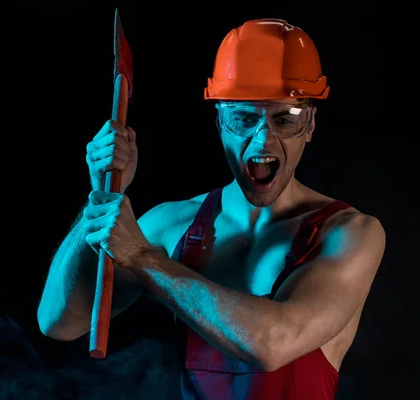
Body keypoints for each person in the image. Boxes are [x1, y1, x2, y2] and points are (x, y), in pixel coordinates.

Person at [37, 18, 386, 399]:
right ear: (220, 121)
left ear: (311, 125)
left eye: (285, 119)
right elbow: (59, 321)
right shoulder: (174, 225)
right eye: (244, 118)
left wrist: (142, 257)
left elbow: (272, 343)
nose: (263, 139)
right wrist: (99, 195)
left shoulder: (349, 234)